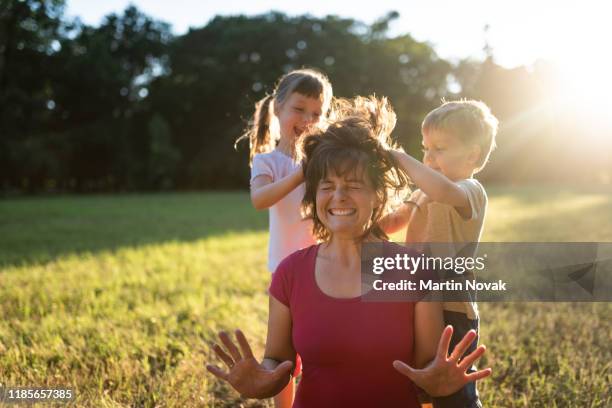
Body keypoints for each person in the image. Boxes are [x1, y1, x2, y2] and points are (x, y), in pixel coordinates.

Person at [210, 96, 492, 407]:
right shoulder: (289, 273)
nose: (339, 196)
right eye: (327, 185)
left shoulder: (421, 265)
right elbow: (277, 360)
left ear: (377, 195)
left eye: (354, 185)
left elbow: (426, 370)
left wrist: (440, 386)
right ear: (314, 194)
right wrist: (263, 378)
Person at [381, 99, 499, 407]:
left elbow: (444, 193)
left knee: (451, 387)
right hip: (416, 296)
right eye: (425, 148)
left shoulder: (470, 190)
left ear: (472, 154)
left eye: (439, 149)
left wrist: (401, 158)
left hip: (452, 306)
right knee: (419, 379)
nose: (429, 158)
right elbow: (393, 222)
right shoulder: (422, 191)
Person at [235, 68, 333, 407]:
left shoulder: (324, 162)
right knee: (284, 354)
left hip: (325, 268)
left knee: (322, 347)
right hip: (285, 273)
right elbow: (260, 199)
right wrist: (300, 174)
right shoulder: (268, 162)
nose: (308, 118)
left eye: (317, 113)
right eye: (300, 108)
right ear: (277, 109)